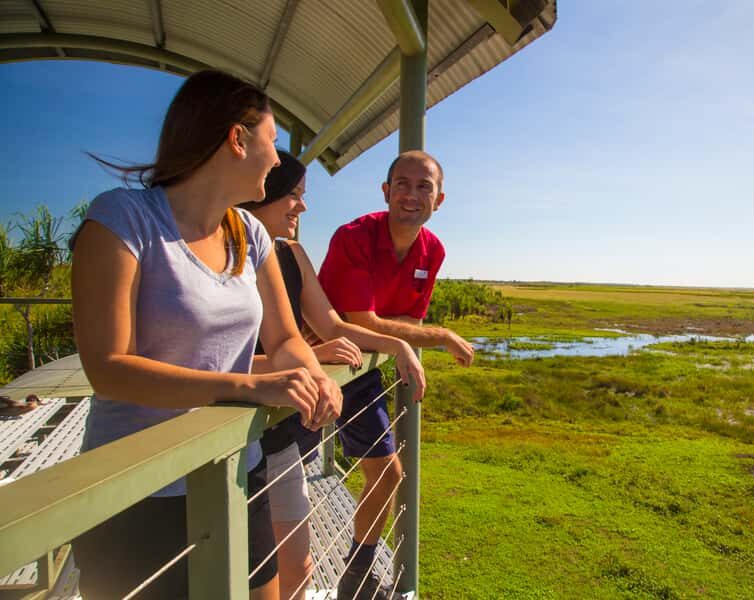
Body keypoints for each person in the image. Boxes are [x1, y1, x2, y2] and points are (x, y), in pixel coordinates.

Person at [69, 70, 342, 600]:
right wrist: (247, 386)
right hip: (137, 494)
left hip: (237, 469)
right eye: (272, 141)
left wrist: (314, 374)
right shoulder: (123, 219)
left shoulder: (251, 233)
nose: (276, 157)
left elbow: (285, 337)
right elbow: (108, 367)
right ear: (237, 140)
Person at [240, 150, 426, 600]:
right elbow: (216, 357)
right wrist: (311, 355)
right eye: (293, 195)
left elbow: (335, 324)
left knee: (297, 566)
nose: (303, 207)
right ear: (258, 191)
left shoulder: (292, 253)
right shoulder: (224, 252)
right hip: (235, 432)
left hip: (281, 432)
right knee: (245, 569)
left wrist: (399, 345)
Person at [318, 150, 475, 599]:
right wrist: (438, 337)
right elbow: (359, 318)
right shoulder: (354, 236)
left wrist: (405, 340)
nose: (412, 194)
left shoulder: (433, 249)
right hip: (322, 362)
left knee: (386, 474)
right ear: (385, 192)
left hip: (365, 366)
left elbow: (409, 316)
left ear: (439, 199)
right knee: (282, 474)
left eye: (424, 186)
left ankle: (354, 578)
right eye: (402, 184)